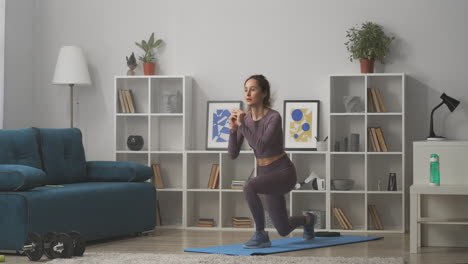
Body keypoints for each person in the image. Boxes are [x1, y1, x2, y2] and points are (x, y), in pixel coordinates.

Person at [228, 74, 315, 249]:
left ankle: (260, 234)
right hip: (265, 176)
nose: (248, 93)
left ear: (264, 93)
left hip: (283, 174)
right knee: (283, 229)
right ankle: (309, 219)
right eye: (245, 89)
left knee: (248, 186)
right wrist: (233, 129)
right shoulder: (245, 120)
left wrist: (243, 124)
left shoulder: (274, 117)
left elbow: (260, 147)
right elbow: (232, 154)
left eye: (253, 89)